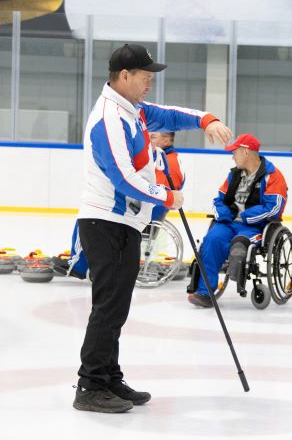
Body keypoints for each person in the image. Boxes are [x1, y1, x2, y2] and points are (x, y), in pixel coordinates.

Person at [74, 43, 232, 413]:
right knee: (108, 306)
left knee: (117, 306)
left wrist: (206, 119)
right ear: (124, 76)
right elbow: (122, 175)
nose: (149, 84)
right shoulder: (109, 118)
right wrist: (166, 195)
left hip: (124, 223)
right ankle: (90, 385)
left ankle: (109, 377)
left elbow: (171, 116)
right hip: (106, 222)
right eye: (145, 77)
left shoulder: (134, 111)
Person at [57, 130, 185, 280]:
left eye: (153, 137)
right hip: (144, 208)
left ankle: (78, 265)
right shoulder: (164, 157)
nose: (148, 140)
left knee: (92, 213)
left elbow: (156, 193)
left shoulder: (168, 161)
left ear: (167, 140)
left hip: (144, 212)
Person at [187, 133, 288, 307]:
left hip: (256, 227)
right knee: (212, 240)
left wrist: (247, 216)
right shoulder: (234, 175)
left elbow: (274, 207)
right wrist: (223, 213)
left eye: (235, 152)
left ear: (246, 152)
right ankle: (205, 292)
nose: (232, 156)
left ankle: (238, 268)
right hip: (229, 223)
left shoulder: (272, 175)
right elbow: (218, 199)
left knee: (239, 243)